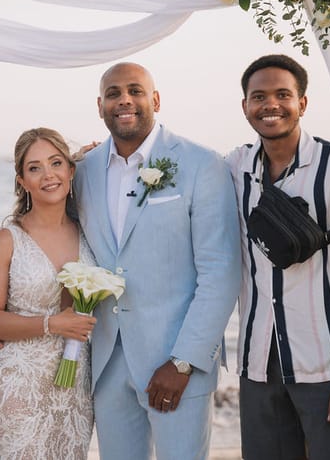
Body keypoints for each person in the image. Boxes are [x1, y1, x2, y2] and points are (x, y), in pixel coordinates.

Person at [226, 54, 330, 460]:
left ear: (302, 103)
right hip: (259, 368)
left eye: (283, 95)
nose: (271, 105)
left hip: (329, 368)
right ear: (245, 106)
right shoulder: (235, 168)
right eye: (259, 96)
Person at [74, 62, 241, 460]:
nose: (124, 100)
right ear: (100, 106)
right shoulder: (83, 171)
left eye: (135, 90)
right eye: (113, 93)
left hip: (176, 363)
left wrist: (184, 361)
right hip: (108, 365)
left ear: (156, 100)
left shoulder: (203, 164)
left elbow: (220, 273)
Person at [0, 127, 98, 459]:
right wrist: (51, 324)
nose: (48, 175)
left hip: (74, 389)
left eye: (56, 163)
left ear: (71, 170)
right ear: (22, 181)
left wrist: (97, 156)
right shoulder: (7, 240)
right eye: (35, 168)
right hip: (17, 388)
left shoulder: (91, 234)